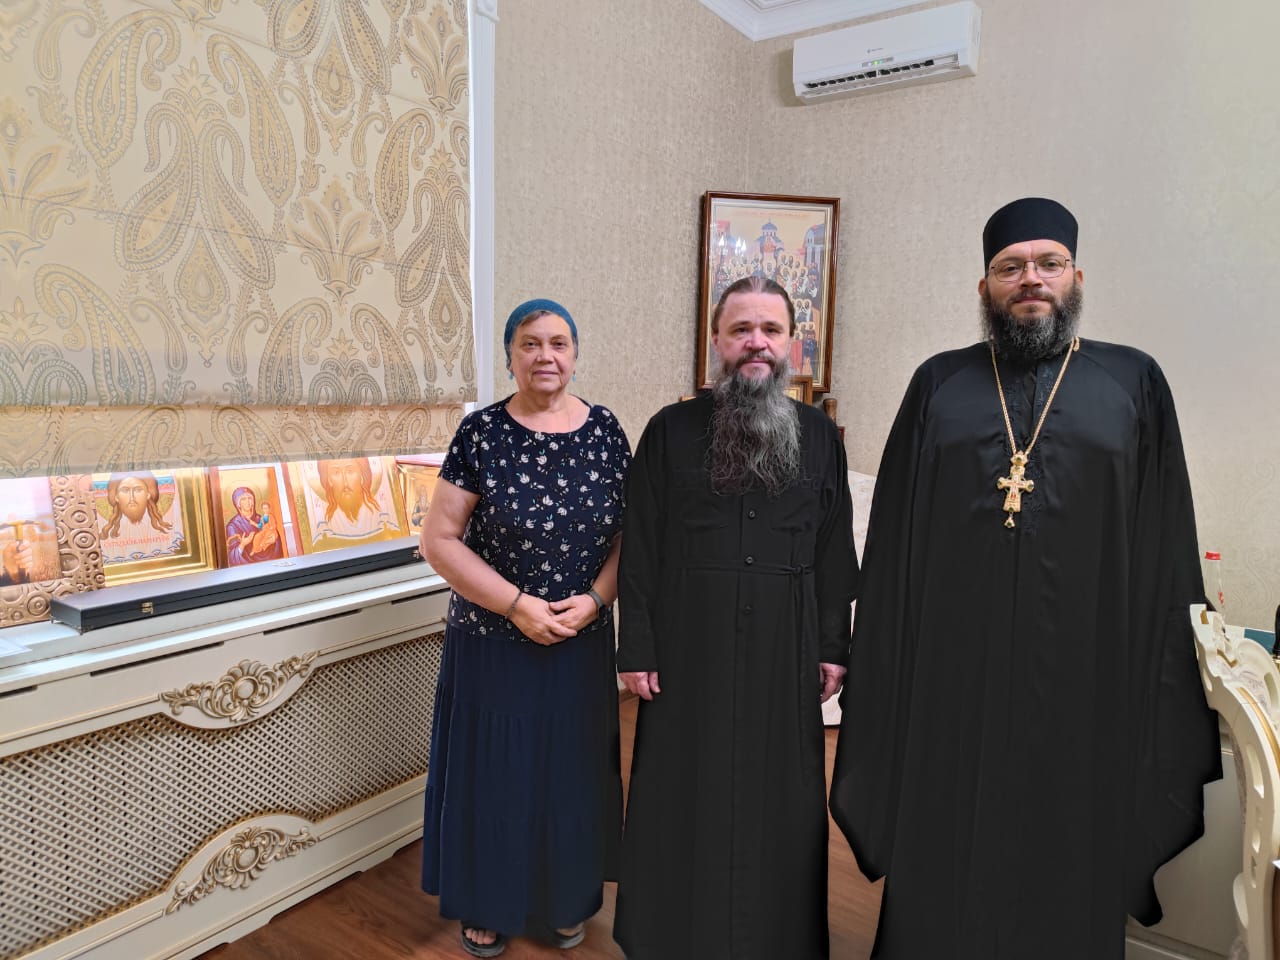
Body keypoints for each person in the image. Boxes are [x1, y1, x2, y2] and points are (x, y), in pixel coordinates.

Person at [829, 197, 1221, 959]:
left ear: (1077, 278)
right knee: (945, 831)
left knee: (1072, 827)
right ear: (985, 288)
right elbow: (895, 540)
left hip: (1088, 672)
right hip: (953, 676)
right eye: (1010, 267)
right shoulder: (939, 383)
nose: (1030, 279)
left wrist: (1167, 653)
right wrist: (879, 652)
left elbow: (1165, 533)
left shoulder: (1133, 381)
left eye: (1048, 264)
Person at [614, 275, 859, 959]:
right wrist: (637, 647)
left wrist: (833, 645)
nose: (756, 342)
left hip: (787, 647)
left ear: (792, 344)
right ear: (717, 342)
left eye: (771, 330)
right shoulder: (669, 431)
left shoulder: (820, 437)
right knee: (680, 790)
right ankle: (670, 935)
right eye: (741, 329)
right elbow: (642, 545)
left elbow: (835, 549)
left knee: (781, 798)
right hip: (688, 647)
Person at [418, 298, 631, 958]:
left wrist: (595, 600)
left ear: (575, 354)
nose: (546, 356)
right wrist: (515, 605)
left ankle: (564, 899)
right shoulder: (480, 433)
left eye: (559, 343)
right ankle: (487, 905)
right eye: (530, 344)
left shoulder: (605, 430)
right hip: (494, 643)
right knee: (497, 778)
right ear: (510, 356)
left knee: (571, 774)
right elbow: (439, 540)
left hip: (579, 642)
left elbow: (631, 536)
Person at [225, 487, 285, 565]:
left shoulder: (261, 518)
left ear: (253, 501)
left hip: (270, 564)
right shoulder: (233, 526)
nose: (247, 502)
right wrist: (243, 544)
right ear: (237, 504)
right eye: (243, 499)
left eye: (249, 498)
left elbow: (272, 531)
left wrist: (275, 540)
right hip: (248, 568)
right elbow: (232, 556)